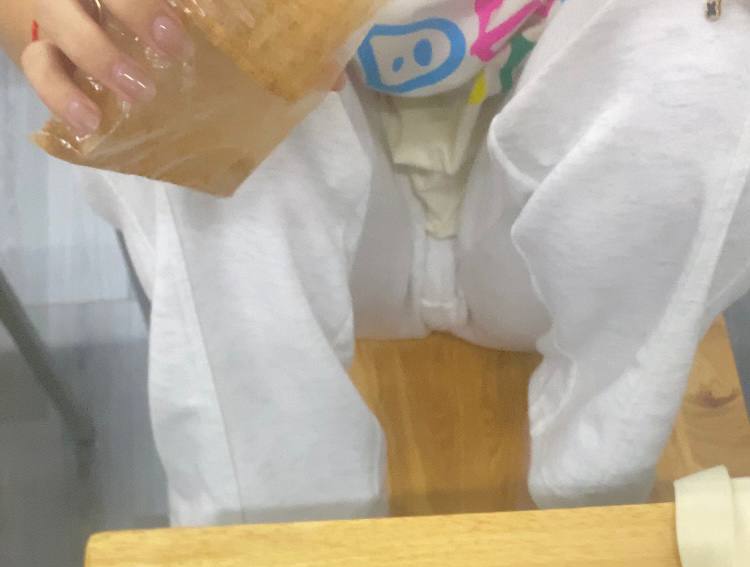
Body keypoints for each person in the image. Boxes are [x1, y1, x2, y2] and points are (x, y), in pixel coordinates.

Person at [2, 0, 750, 525]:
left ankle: (592, 524)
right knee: (168, 62)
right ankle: (280, 558)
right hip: (305, 216)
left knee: (710, 52)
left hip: (557, 221)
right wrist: (70, 30)